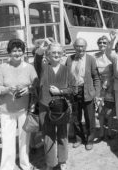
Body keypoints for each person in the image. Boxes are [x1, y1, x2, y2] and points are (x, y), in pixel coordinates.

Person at [0, 39, 38, 170]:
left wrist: (29, 89)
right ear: (9, 52)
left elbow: (36, 84)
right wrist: (6, 90)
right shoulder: (2, 68)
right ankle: (7, 166)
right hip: (6, 110)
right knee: (7, 139)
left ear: (23, 52)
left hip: (24, 109)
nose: (17, 53)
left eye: (19, 50)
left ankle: (25, 164)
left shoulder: (29, 67)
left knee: (24, 139)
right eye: (14, 51)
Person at [35, 42, 74, 170]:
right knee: (48, 136)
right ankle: (50, 163)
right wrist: (42, 47)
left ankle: (62, 161)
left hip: (61, 109)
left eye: (59, 52)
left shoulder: (66, 70)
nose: (56, 55)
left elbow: (73, 89)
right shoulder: (43, 67)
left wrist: (60, 91)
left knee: (62, 135)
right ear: (48, 54)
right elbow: (38, 59)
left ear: (63, 54)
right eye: (53, 52)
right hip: (45, 107)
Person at [66, 37, 101, 150]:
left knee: (89, 118)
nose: (80, 48)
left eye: (82, 46)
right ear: (74, 47)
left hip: (87, 91)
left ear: (85, 47)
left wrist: (96, 93)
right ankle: (79, 138)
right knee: (75, 118)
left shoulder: (90, 59)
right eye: (77, 46)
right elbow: (66, 76)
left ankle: (89, 140)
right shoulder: (69, 59)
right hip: (74, 92)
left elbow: (96, 77)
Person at [94, 35, 115, 140]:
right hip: (100, 87)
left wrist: (110, 84)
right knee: (100, 111)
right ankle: (101, 131)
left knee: (109, 111)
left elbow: (116, 72)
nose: (102, 44)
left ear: (108, 45)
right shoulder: (94, 56)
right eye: (100, 42)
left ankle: (110, 131)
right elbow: (94, 74)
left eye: (104, 43)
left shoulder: (112, 56)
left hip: (111, 86)